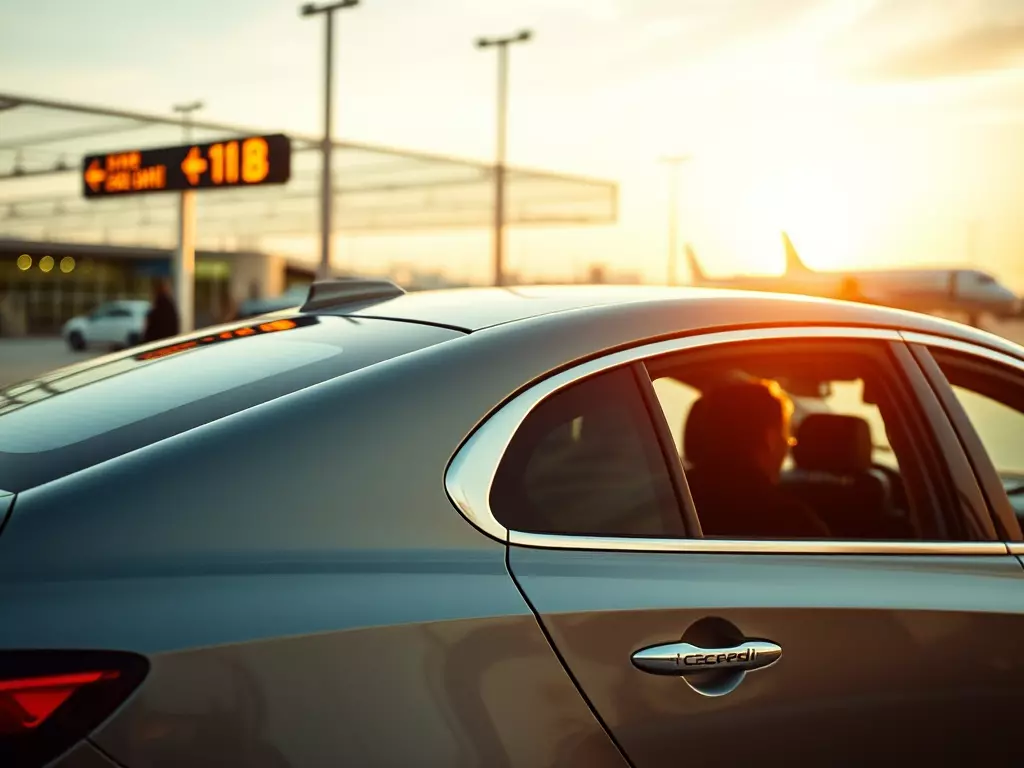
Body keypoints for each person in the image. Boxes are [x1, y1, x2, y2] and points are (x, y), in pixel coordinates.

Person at [684, 378, 830, 538]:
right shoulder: (791, 523)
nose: (788, 445)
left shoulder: (672, 498)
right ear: (771, 438)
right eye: (786, 435)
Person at [143, 277, 180, 343]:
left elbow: (150, 330)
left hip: (158, 343)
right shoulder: (170, 306)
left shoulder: (159, 307)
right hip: (168, 342)